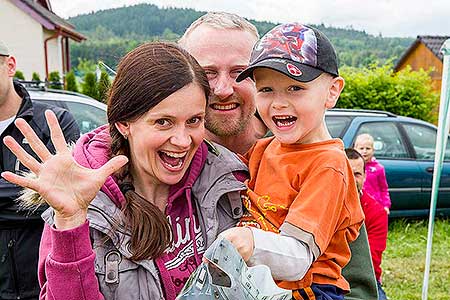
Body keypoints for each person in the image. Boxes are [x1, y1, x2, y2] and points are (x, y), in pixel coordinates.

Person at [1, 42, 249, 300]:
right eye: (163, 122)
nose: (183, 140)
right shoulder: (82, 200)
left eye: (194, 121)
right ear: (123, 123)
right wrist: (71, 223)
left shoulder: (228, 181)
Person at [215, 23, 365, 299]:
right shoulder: (264, 149)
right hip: (263, 284)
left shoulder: (328, 165)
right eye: (267, 89)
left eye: (295, 88)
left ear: (332, 91)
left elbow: (298, 259)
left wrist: (251, 241)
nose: (279, 103)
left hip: (308, 289)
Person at [0, 41, 79, 300]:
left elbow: (65, 198)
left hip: (46, 284)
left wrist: (52, 197)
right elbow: (46, 198)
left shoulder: (55, 122)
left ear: (9, 65)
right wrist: (36, 191)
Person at [179, 12, 268, 155]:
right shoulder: (168, 157)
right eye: (208, 73)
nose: (223, 90)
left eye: (239, 72)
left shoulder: (295, 144)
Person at [345, 148, 389, 300]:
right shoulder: (320, 205)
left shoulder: (377, 212)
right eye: (347, 173)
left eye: (356, 174)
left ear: (364, 176)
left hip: (364, 279)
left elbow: (371, 260)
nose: (351, 179)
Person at [354, 133, 391, 214]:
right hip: (358, 205)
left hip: (375, 205)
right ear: (355, 149)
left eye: (368, 148)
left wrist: (386, 205)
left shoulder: (379, 168)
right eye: (361, 148)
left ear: (373, 150)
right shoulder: (353, 167)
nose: (364, 151)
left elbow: (384, 188)